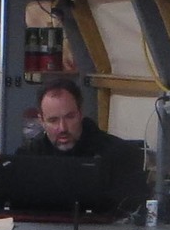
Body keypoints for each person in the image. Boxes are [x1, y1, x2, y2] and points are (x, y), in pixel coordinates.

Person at [13, 75, 148, 212]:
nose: (63, 128)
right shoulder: (28, 156)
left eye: (70, 117)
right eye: (53, 120)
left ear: (80, 113)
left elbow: (133, 205)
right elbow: (0, 194)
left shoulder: (118, 154)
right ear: (41, 120)